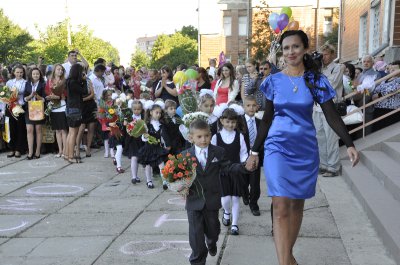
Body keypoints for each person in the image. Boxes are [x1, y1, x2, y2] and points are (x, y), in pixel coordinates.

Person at [245, 30, 359, 265]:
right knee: (279, 206)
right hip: (277, 146)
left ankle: (288, 257)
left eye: (295, 47)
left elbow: (331, 115)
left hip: (305, 147)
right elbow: (266, 119)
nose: (290, 52)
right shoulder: (273, 81)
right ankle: (285, 262)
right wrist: (254, 151)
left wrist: (349, 143)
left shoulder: (316, 80)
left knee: (296, 205)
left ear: (305, 49)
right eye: (286, 48)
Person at [183, 119, 247, 265]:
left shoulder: (218, 152)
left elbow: (228, 167)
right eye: (199, 137)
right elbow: (178, 176)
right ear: (191, 137)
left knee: (213, 231)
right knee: (195, 236)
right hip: (193, 201)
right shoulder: (185, 155)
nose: (203, 139)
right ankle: (198, 259)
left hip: (212, 200)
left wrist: (244, 167)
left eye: (206, 136)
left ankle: (211, 243)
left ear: (210, 135)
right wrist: (179, 185)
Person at [211, 107, 248, 236]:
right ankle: (226, 212)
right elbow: (212, 153)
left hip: (236, 171)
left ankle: (235, 224)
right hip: (222, 172)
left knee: (236, 198)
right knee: (225, 200)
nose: (230, 124)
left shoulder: (240, 136)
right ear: (221, 121)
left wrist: (244, 163)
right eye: (227, 122)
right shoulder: (216, 137)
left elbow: (243, 153)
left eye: (233, 122)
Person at [313, 44, 345, 177]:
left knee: (331, 137)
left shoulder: (338, 67)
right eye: (322, 54)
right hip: (317, 107)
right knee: (319, 137)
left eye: (326, 54)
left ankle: (333, 167)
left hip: (331, 107)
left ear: (332, 54)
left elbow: (331, 85)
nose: (323, 57)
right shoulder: (317, 68)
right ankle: (323, 164)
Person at [137, 101, 171, 189]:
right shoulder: (146, 125)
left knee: (161, 165)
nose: (158, 114)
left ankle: (164, 181)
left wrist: (166, 145)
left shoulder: (161, 124)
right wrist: (146, 136)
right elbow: (142, 138)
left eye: (160, 113)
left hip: (158, 148)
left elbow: (163, 136)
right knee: (148, 166)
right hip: (148, 148)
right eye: (157, 112)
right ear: (151, 112)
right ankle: (149, 181)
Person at [241, 95, 263, 216]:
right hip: (243, 155)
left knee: (255, 182)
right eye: (248, 105)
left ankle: (254, 203)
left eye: (254, 105)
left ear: (257, 107)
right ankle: (244, 194)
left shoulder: (260, 123)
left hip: (256, 156)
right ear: (243, 107)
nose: (251, 108)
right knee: (243, 180)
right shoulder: (239, 122)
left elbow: (262, 138)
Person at [45, 64, 68, 158]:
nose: (60, 71)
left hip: (62, 106)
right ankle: (60, 150)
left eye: (62, 70)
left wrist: (58, 96)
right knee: (57, 130)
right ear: (54, 70)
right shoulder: (49, 81)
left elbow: (66, 94)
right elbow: (46, 91)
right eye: (58, 69)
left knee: (63, 130)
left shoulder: (64, 81)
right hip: (53, 107)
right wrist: (49, 96)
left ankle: (66, 150)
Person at [23, 67, 46, 159]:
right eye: (34, 74)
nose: (36, 75)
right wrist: (30, 96)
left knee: (38, 130)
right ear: (31, 75)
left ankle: (37, 152)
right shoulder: (27, 84)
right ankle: (30, 152)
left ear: (40, 75)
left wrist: (38, 96)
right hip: (29, 109)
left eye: (37, 74)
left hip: (39, 109)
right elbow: (24, 98)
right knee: (29, 130)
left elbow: (45, 99)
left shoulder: (43, 84)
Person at [5, 65, 27, 158]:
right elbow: (5, 94)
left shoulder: (26, 82)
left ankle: (19, 149)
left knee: (20, 129)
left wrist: (17, 95)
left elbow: (25, 94)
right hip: (10, 107)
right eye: (17, 72)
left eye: (21, 72)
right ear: (14, 72)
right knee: (11, 128)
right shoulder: (9, 82)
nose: (19, 74)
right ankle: (12, 148)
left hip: (20, 107)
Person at [372, 61, 400, 131]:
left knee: (387, 130)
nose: (392, 71)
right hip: (379, 108)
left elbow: (393, 89)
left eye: (394, 69)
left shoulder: (398, 80)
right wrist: (375, 95)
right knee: (377, 131)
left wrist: (379, 95)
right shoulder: (384, 80)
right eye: (391, 69)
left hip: (391, 110)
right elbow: (376, 90)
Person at [76, 64, 97, 158]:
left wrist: (84, 99)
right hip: (81, 107)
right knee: (81, 128)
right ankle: (77, 148)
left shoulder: (88, 80)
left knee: (91, 127)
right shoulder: (75, 82)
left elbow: (92, 94)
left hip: (90, 105)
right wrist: (82, 100)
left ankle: (88, 147)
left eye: (83, 70)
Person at [65, 63, 85, 164]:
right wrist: (84, 81)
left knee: (70, 133)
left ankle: (67, 154)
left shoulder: (69, 81)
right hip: (75, 108)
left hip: (69, 108)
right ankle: (71, 156)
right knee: (73, 133)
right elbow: (84, 91)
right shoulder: (74, 83)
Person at [126, 100, 145, 184]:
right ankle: (134, 176)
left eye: (139, 109)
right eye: (135, 109)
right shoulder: (129, 118)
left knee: (140, 158)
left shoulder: (144, 117)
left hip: (141, 140)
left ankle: (140, 176)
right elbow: (126, 129)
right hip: (133, 140)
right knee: (134, 157)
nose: (137, 111)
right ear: (132, 109)